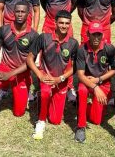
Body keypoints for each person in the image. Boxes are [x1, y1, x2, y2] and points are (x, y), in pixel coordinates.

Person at [0, 2, 39, 135]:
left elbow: (30, 62)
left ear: (28, 14)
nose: (20, 14)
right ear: (12, 13)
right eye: (17, 11)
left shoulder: (34, 35)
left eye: (23, 12)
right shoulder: (4, 30)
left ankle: (12, 91)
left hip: (21, 74)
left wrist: (10, 74)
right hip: (4, 68)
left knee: (19, 113)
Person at [26, 10, 79, 140]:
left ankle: (47, 100)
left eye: (67, 23)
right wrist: (39, 74)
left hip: (61, 80)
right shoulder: (44, 38)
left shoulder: (73, 43)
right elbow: (29, 58)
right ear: (55, 23)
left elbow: (76, 67)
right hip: (46, 77)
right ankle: (41, 122)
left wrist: (60, 78)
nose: (64, 26)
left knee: (55, 120)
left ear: (70, 24)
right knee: (45, 93)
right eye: (61, 23)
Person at [39, 0, 78, 102]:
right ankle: (44, 81)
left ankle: (69, 87)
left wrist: (64, 16)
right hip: (49, 22)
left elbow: (74, 2)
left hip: (64, 24)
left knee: (67, 55)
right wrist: (51, 15)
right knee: (45, 53)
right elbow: (43, 2)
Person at [74, 21, 115, 143]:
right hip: (87, 81)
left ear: (103, 35)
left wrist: (99, 81)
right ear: (88, 34)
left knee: (96, 120)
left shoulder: (109, 48)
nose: (96, 38)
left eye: (99, 34)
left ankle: (85, 106)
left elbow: (114, 69)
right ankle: (81, 126)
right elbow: (80, 75)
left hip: (103, 81)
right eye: (93, 34)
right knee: (82, 90)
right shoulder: (82, 49)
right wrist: (95, 87)